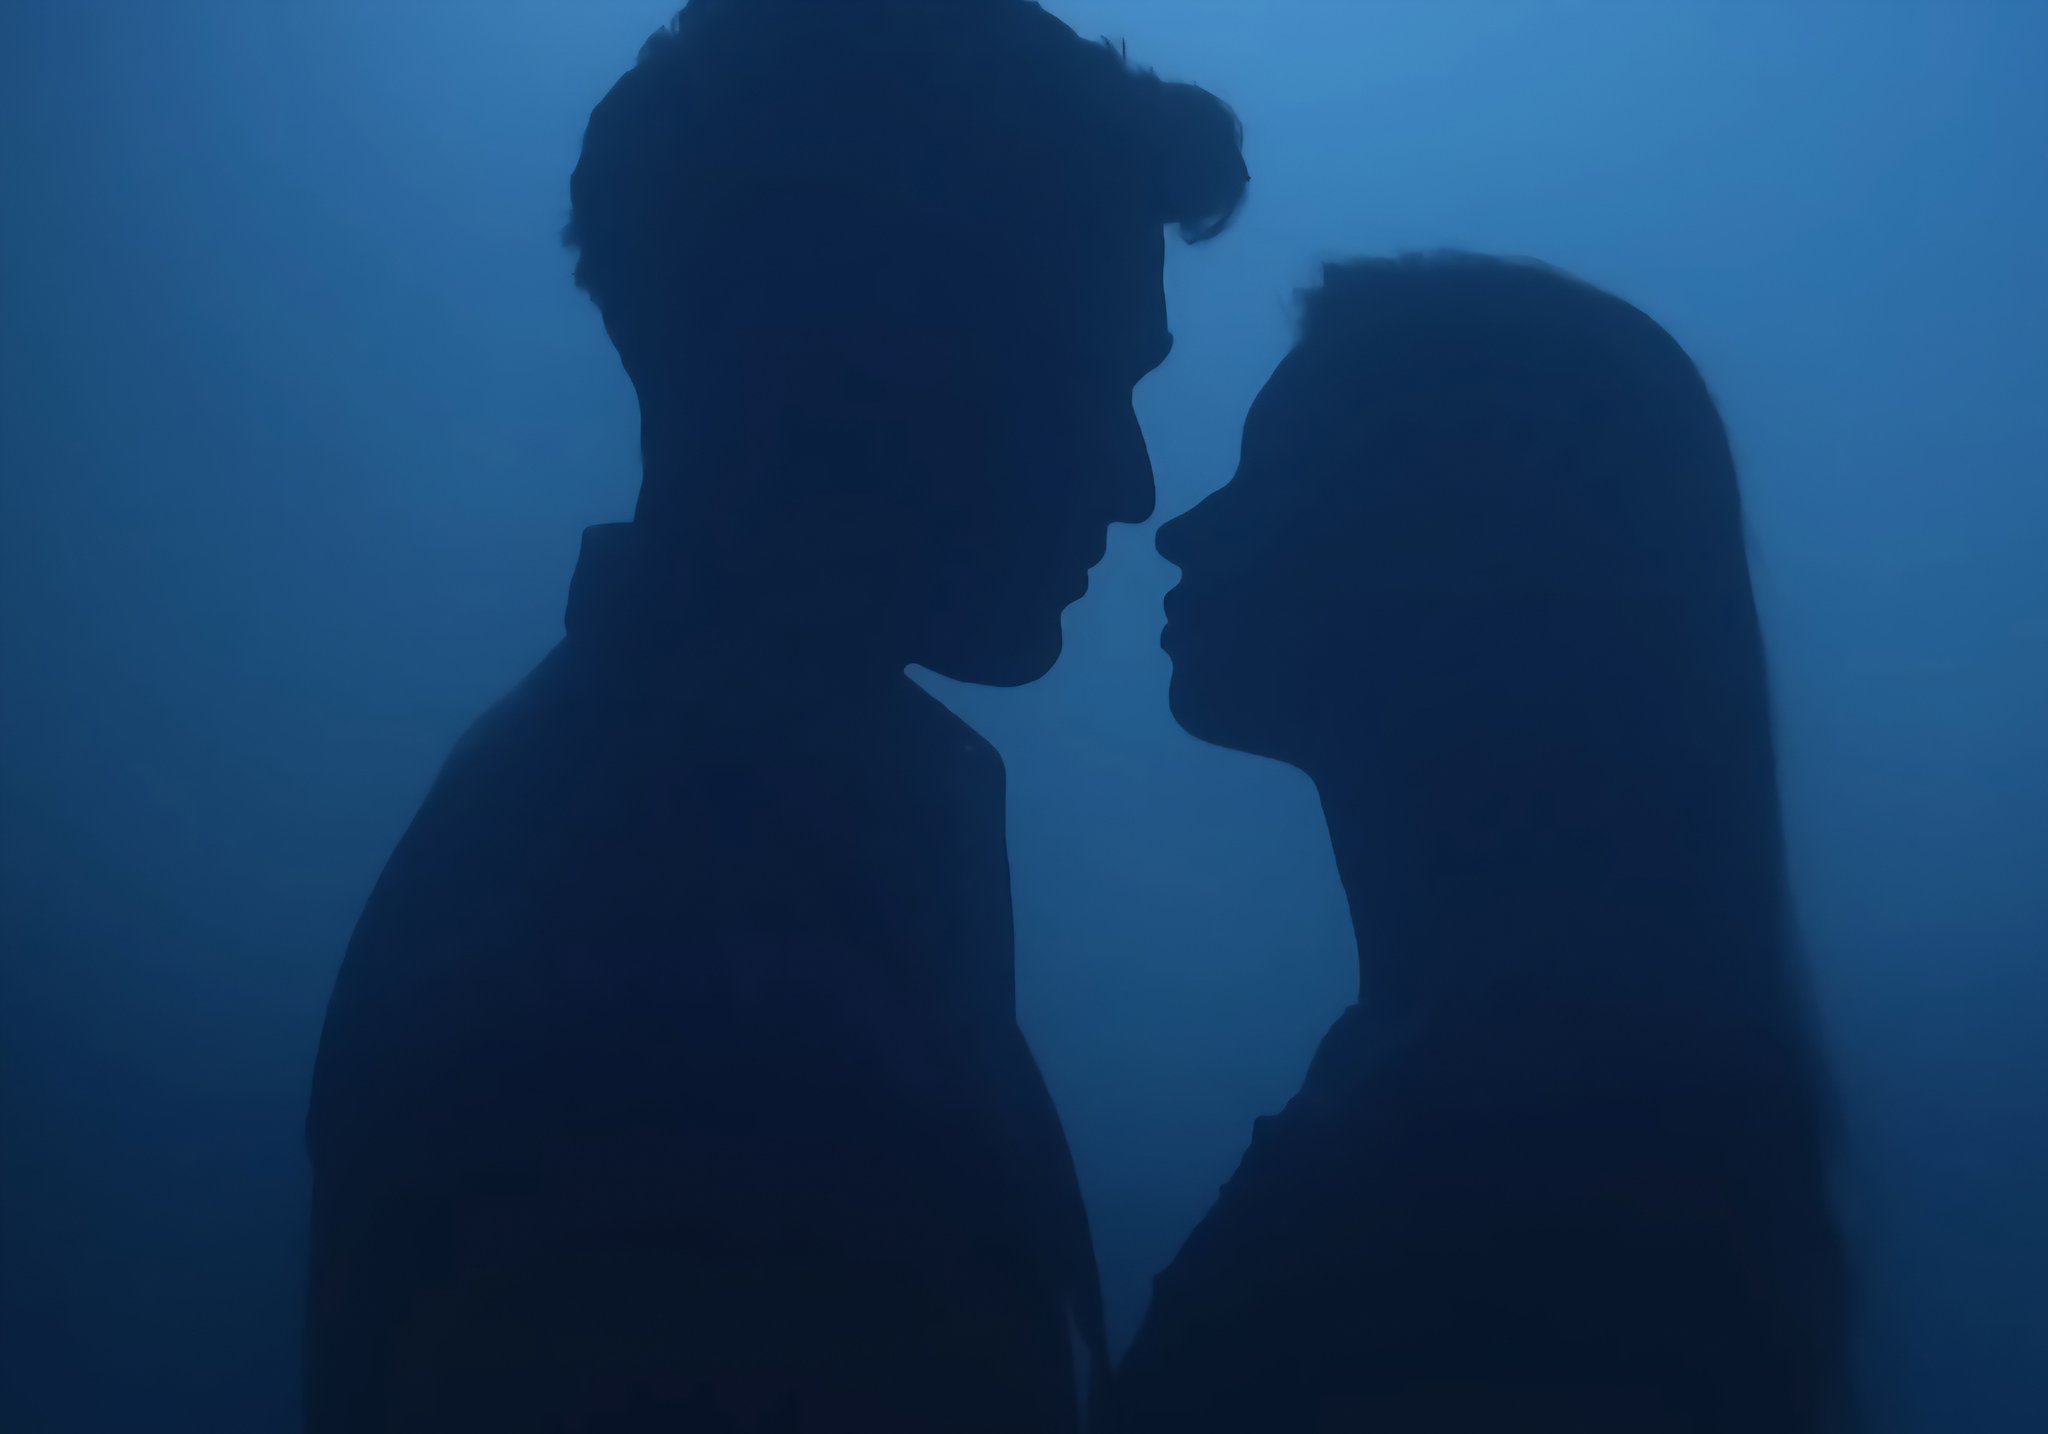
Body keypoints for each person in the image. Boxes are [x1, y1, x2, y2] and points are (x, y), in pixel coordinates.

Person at [302, 3, 1246, 1429]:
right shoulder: (668, 946)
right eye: (1078, 379)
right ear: (857, 354)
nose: (1132, 483)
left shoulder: (683, 837)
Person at [1108, 254, 1853, 1433]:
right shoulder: (1524, 1073)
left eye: (1276, 476)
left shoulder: (1565, 1135)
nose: (1180, 529)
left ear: (1460, 550)